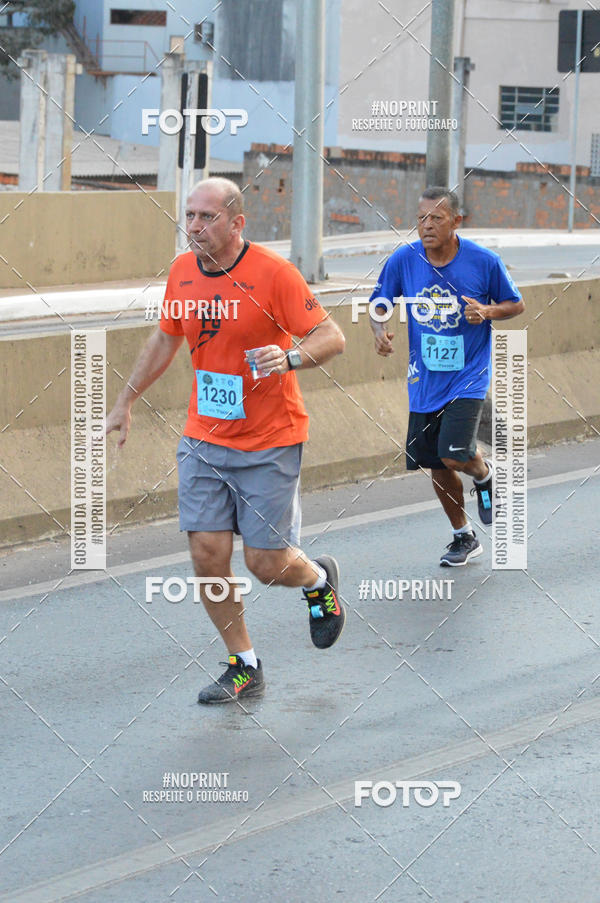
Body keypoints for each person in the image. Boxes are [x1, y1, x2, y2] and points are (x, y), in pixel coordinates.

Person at [106, 177, 346, 703]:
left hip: (270, 439)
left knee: (265, 565)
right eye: (189, 216)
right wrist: (125, 399)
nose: (195, 227)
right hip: (204, 437)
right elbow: (166, 337)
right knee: (207, 554)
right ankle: (244, 664)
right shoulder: (182, 271)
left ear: (237, 222)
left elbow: (331, 335)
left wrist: (288, 358)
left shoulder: (274, 274)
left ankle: (315, 581)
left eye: (207, 217)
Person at [369, 186, 525, 566]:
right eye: (421, 218)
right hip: (424, 380)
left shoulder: (483, 261)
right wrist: (379, 330)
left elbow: (515, 304)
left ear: (456, 221)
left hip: (468, 376)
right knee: (437, 465)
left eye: (436, 218)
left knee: (453, 453)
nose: (426, 226)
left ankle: (483, 474)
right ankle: (463, 536)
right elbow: (379, 303)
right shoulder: (404, 260)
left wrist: (487, 312)